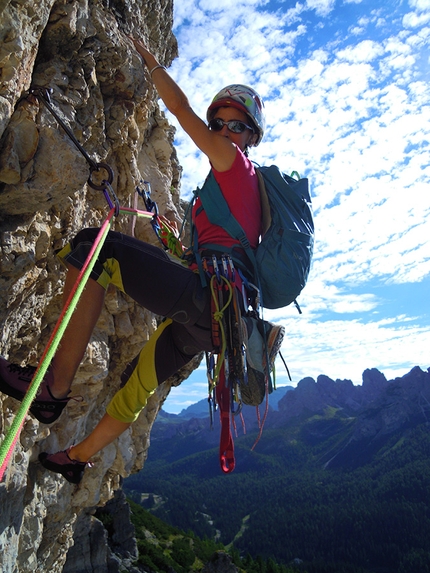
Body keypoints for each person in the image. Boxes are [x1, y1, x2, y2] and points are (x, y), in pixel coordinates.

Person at [0, 37, 282, 484]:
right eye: (221, 122)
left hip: (207, 302)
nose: (225, 131)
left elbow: (182, 110)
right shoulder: (236, 190)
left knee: (97, 248)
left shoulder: (235, 165)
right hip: (218, 325)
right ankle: (74, 458)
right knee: (138, 386)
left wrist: (150, 62)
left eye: (236, 125)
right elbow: (224, 251)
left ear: (251, 137)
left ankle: (53, 389)